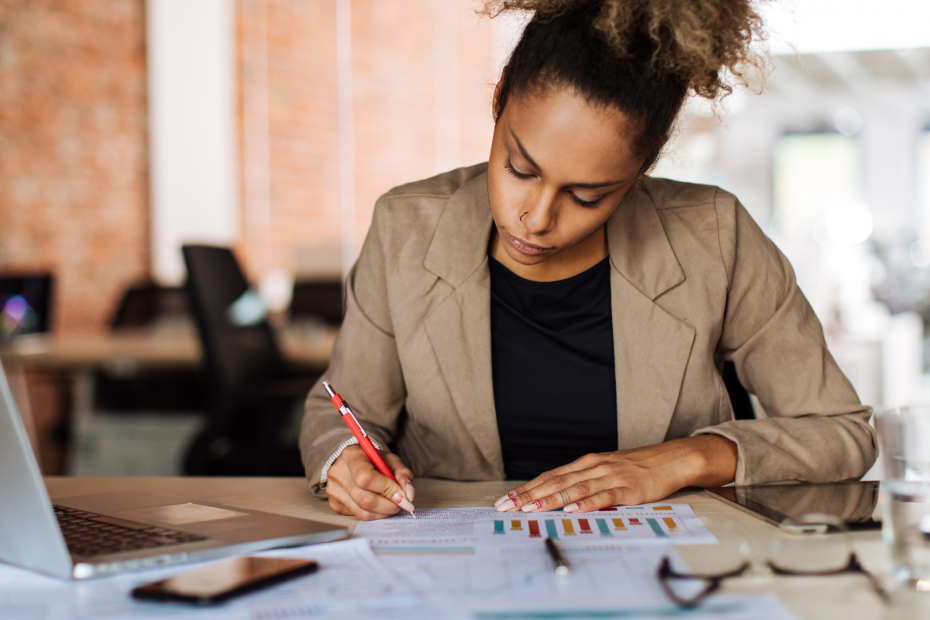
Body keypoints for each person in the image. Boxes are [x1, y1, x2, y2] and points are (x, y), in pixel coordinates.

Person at [299, 0, 878, 521]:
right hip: (456, 558)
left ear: (641, 168)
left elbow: (841, 432)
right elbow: (340, 409)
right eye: (520, 169)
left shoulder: (716, 236)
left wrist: (686, 459)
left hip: (671, 565)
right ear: (500, 97)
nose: (537, 217)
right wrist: (345, 461)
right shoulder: (405, 226)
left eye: (586, 196)